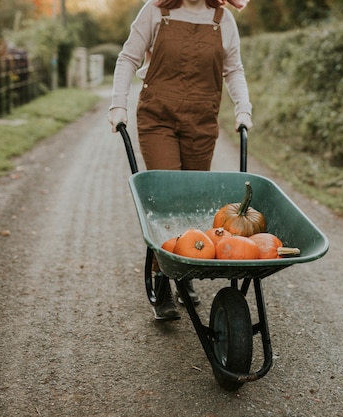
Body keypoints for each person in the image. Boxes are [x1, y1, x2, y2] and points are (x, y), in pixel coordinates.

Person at [108, 0, 252, 321]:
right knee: (168, 198)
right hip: (157, 117)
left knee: (192, 200)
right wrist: (118, 104)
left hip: (201, 121)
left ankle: (184, 272)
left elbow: (234, 69)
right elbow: (128, 57)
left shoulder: (222, 19)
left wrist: (243, 108)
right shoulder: (157, 11)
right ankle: (163, 280)